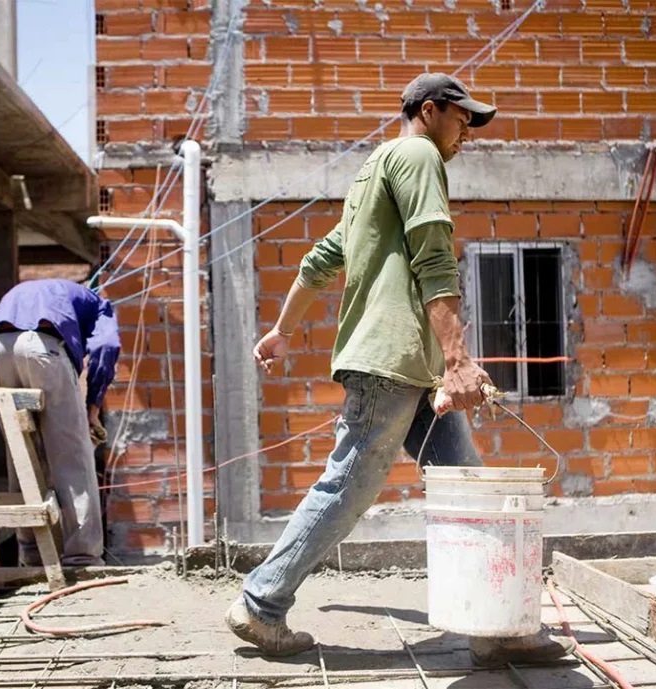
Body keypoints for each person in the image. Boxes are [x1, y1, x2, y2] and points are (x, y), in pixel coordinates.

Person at [225, 73, 575, 666]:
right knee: (347, 486)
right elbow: (434, 257)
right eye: (462, 118)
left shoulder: (370, 173)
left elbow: (320, 259)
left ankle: (496, 629)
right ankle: (261, 604)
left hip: (411, 373)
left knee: (469, 489)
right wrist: (460, 361)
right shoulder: (416, 155)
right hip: (390, 365)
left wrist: (284, 330)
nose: (468, 131)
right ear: (430, 110)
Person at [0, 278, 120, 567]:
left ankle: (32, 554)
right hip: (43, 350)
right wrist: (93, 406)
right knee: (72, 457)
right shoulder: (99, 304)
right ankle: (82, 557)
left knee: (23, 456)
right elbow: (106, 347)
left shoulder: (20, 291)